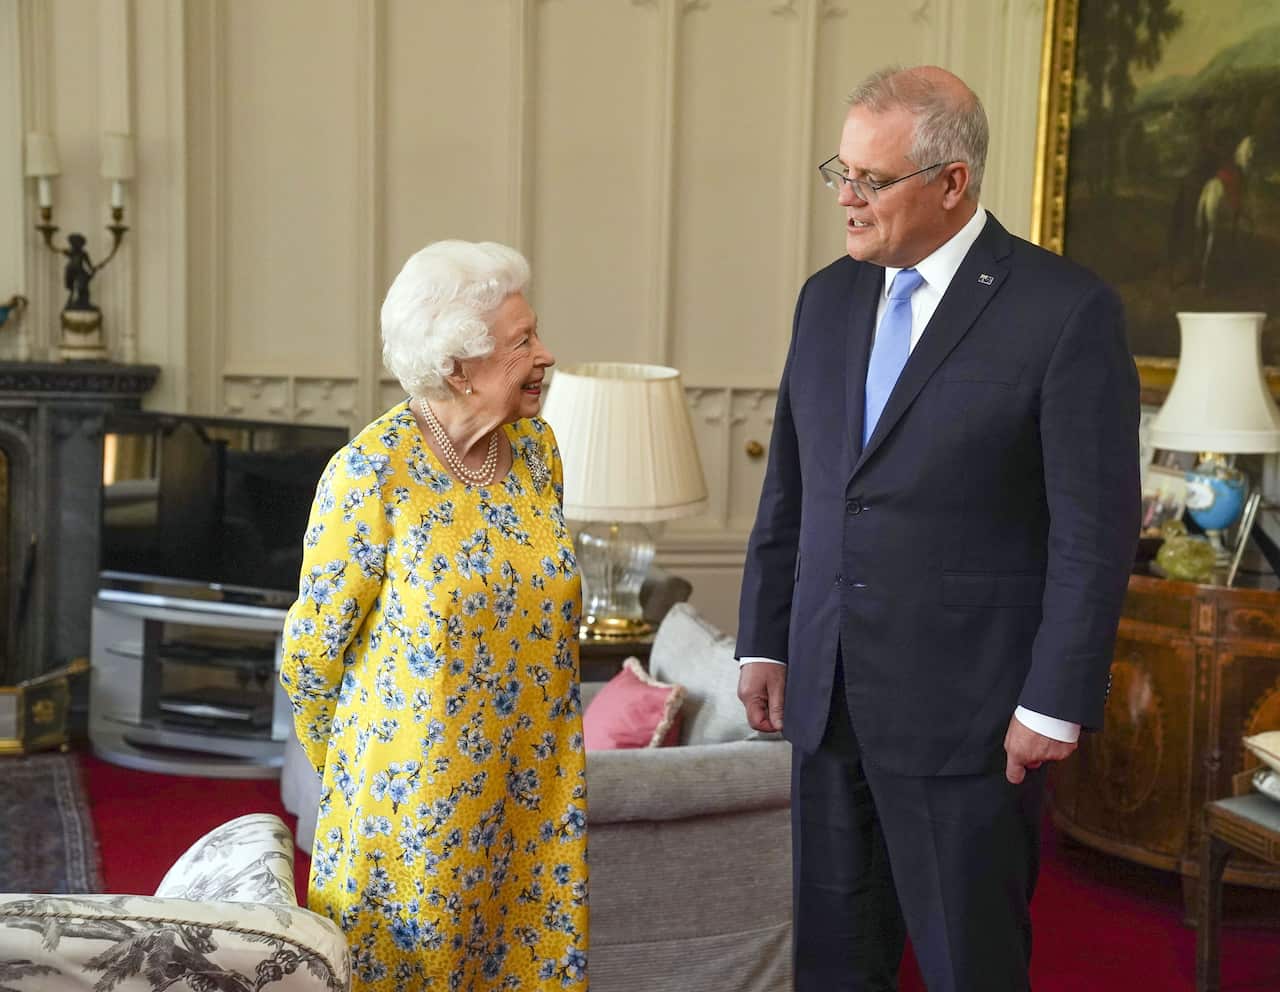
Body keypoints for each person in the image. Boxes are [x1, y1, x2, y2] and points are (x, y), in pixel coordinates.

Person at [736, 66, 1139, 991]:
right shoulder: (826, 298)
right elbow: (794, 489)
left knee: (971, 967)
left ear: (952, 182)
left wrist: (1053, 701)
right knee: (836, 966)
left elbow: (1094, 531)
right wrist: (763, 638)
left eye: (871, 181)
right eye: (841, 169)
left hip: (973, 717)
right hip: (827, 699)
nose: (847, 197)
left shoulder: (1066, 312)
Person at [280, 240, 588, 991]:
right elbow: (310, 656)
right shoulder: (368, 473)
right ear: (458, 366)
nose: (545, 356)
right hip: (412, 812)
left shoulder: (538, 453)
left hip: (533, 802)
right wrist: (367, 775)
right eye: (523, 343)